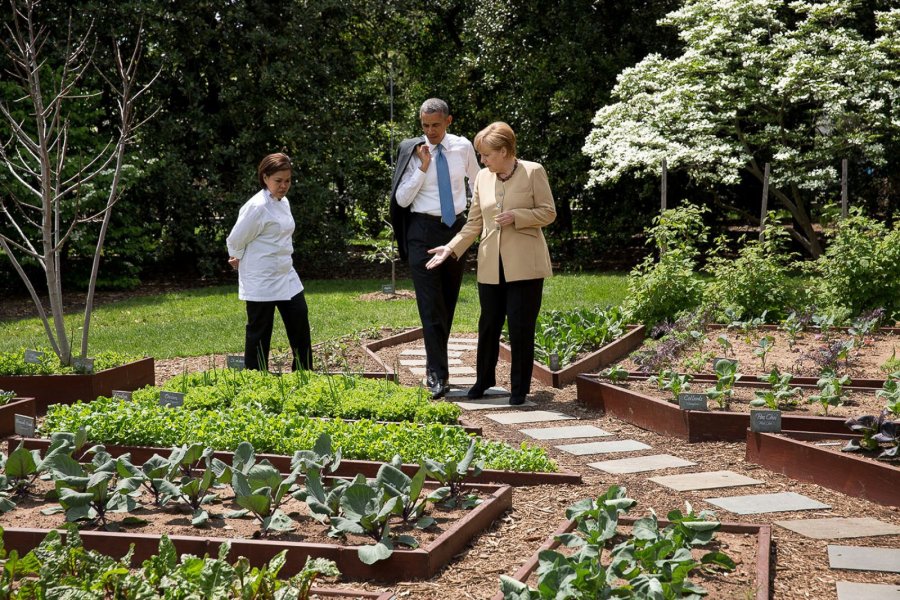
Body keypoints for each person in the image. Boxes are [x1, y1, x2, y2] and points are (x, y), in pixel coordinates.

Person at [426, 122, 555, 405]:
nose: (482, 160)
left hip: (525, 265)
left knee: (521, 327)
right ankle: (484, 380)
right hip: (490, 264)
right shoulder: (482, 178)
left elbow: (548, 212)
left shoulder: (534, 171)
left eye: (487, 155)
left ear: (505, 151)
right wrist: (450, 248)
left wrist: (518, 216)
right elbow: (473, 223)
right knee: (488, 325)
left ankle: (519, 388)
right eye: (480, 155)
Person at [390, 98, 480, 399]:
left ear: (449, 122)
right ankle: (437, 375)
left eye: (436, 126)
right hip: (422, 231)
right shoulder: (413, 151)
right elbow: (401, 200)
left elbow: (477, 182)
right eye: (425, 125)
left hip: (454, 231)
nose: (430, 131)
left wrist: (478, 217)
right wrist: (423, 167)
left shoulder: (463, 147)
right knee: (430, 306)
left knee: (447, 304)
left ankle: (438, 366)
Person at [226, 152, 313, 372]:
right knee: (260, 331)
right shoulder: (257, 207)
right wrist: (236, 257)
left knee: (299, 321)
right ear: (265, 178)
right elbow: (236, 238)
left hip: (286, 274)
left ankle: (304, 375)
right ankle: (255, 378)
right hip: (261, 278)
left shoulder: (284, 202)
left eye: (287, 181)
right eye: (278, 181)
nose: (284, 186)